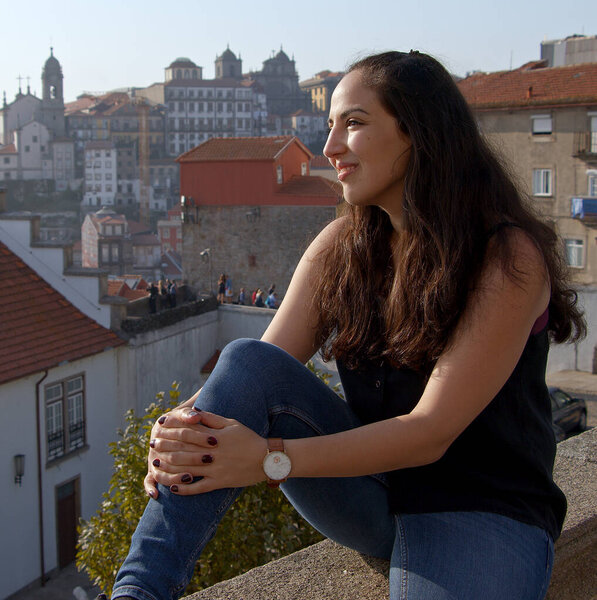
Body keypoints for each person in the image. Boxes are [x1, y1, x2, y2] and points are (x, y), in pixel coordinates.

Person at [110, 51, 585, 600]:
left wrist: (267, 459)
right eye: (329, 126)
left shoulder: (506, 259)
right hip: (371, 493)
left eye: (353, 124)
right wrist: (177, 433)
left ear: (418, 134)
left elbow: (430, 433)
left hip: (480, 507)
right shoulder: (343, 246)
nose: (330, 148)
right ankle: (138, 591)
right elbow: (255, 376)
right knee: (243, 358)